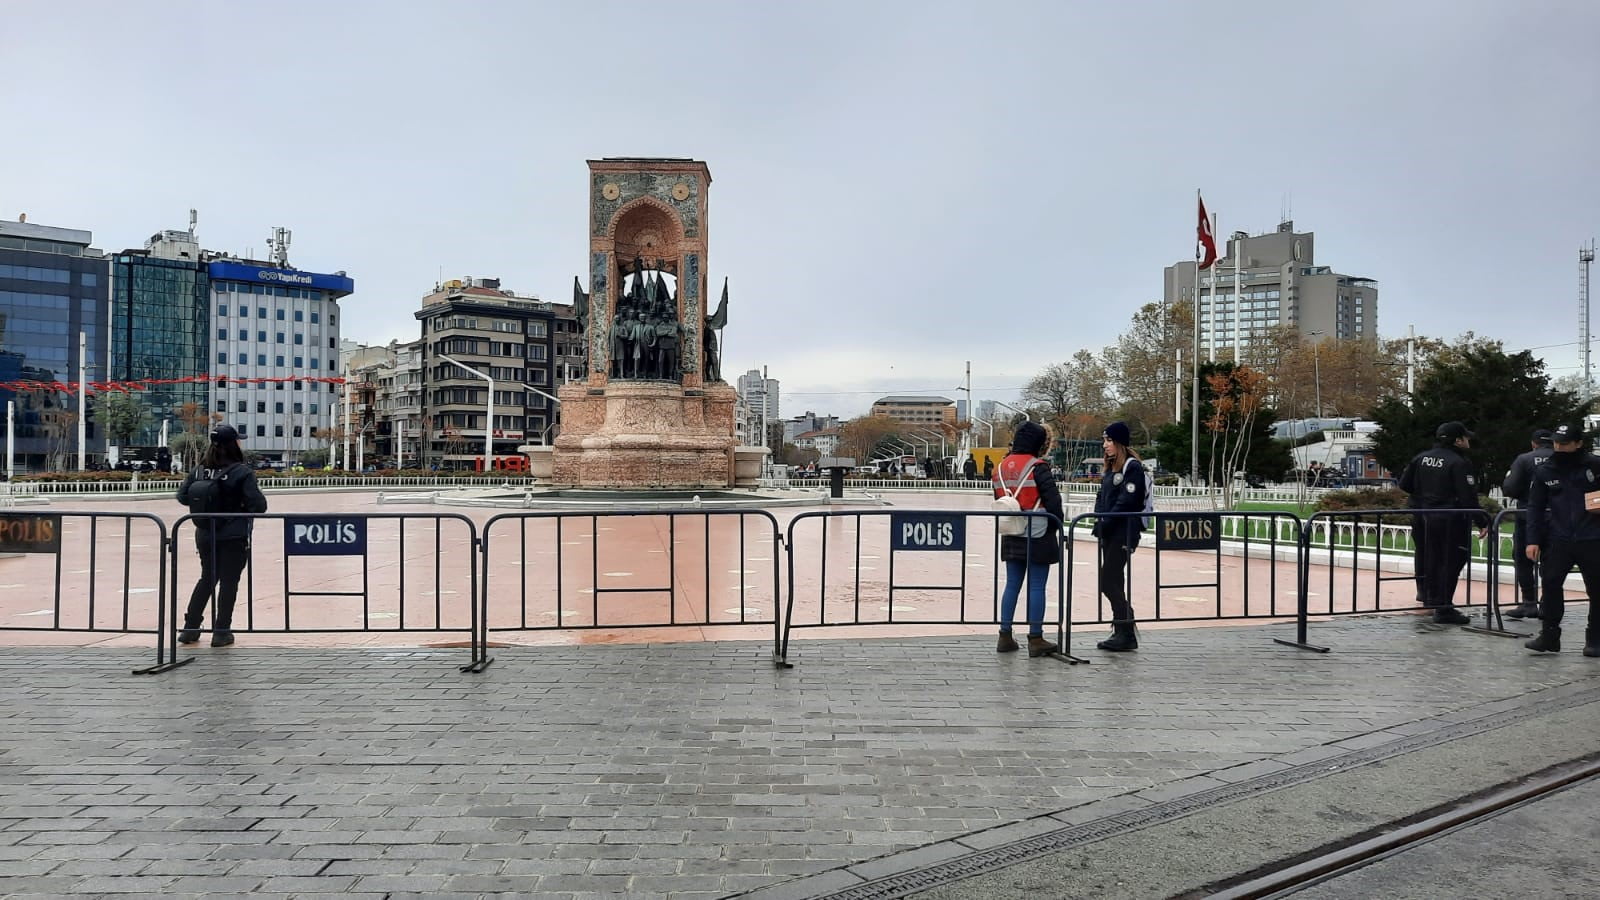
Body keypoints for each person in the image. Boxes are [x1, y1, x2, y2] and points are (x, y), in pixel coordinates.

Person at [176, 424, 268, 647]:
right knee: (229, 582)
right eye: (238, 440)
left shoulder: (199, 469)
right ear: (232, 444)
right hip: (233, 534)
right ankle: (221, 631)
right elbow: (259, 505)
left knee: (207, 578)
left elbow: (182, 497)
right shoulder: (241, 471)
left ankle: (190, 629)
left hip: (205, 533)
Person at [1522, 421, 1600, 656]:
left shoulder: (1595, 466)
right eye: (1556, 442)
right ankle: (1549, 636)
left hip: (1592, 537)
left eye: (1565, 444)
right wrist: (1532, 540)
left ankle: (1595, 639)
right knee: (1551, 584)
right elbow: (1535, 507)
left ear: (1578, 444)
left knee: (1596, 589)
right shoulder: (1545, 470)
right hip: (1559, 537)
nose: (1559, 447)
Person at [1398, 421, 1482, 625]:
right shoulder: (1459, 462)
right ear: (1458, 440)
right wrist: (1481, 520)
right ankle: (1443, 606)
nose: (1469, 441)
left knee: (1427, 555)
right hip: (1449, 520)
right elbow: (1467, 497)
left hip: (1421, 515)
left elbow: (1404, 484)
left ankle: (1426, 594)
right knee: (1451, 560)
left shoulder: (1421, 458)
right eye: (1466, 437)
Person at [991, 421, 1062, 657]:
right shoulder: (1038, 467)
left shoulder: (999, 468)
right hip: (1038, 532)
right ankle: (1035, 638)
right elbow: (1053, 502)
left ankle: (1005, 635)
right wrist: (1057, 525)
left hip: (1011, 531)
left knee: (1012, 584)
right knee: (1036, 585)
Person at [1092, 421, 1148, 651]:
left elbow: (1128, 500)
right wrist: (1098, 518)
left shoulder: (1132, 467)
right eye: (1104, 440)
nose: (1105, 445)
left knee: (1108, 581)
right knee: (1115, 580)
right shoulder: (1112, 467)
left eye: (1109, 440)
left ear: (1119, 442)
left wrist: (1107, 520)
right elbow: (1102, 496)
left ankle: (1126, 628)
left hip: (1123, 532)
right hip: (1110, 532)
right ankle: (1122, 631)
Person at [1501, 429, 1555, 619]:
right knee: (1552, 562)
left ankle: (1529, 602)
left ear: (1533, 443)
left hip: (1527, 515)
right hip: (1557, 517)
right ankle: (1548, 603)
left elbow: (1509, 487)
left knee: (1523, 560)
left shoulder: (1524, 459)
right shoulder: (1562, 459)